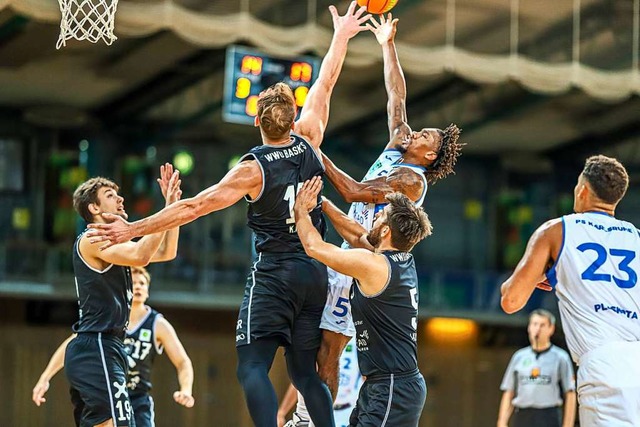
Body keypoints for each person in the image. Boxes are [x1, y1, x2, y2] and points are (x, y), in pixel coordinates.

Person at [84, 4, 372, 426]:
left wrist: (135, 226)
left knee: (252, 367)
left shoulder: (252, 170)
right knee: (306, 373)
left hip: (275, 274)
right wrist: (342, 35)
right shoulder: (310, 141)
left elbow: (194, 206)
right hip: (315, 273)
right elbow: (326, 81)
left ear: (257, 119)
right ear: (295, 118)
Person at [298, 14, 464, 423]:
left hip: (369, 259)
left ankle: (312, 418)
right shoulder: (400, 140)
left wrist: (313, 154)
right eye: (420, 131)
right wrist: (388, 43)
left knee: (332, 348)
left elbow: (354, 191)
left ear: (429, 156)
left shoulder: (410, 181)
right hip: (351, 240)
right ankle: (307, 413)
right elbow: (396, 96)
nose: (418, 133)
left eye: (427, 137)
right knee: (316, 340)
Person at [500, 155, 640, 426]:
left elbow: (511, 300)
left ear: (582, 190)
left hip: (603, 366)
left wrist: (540, 275)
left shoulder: (556, 230)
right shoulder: (636, 236)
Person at [294, 177, 431, 426]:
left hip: (392, 388)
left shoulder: (375, 265)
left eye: (380, 217)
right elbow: (357, 235)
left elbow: (314, 247)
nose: (375, 219)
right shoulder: (400, 259)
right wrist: (322, 203)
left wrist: (301, 209)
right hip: (386, 385)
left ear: (387, 230)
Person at [61, 164, 182, 427]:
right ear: (94, 208)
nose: (120, 199)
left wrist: (172, 208)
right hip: (97, 346)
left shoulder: (114, 245)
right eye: (110, 195)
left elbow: (166, 252)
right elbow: (143, 254)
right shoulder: (92, 237)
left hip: (106, 347)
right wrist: (164, 214)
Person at [32, 265, 195, 427]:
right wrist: (45, 377)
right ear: (126, 290)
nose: (138, 286)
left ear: (148, 290)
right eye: (133, 283)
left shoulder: (158, 324)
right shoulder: (110, 317)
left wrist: (186, 389)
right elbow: (73, 343)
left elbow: (183, 362)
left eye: (142, 283)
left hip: (137, 397)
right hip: (108, 393)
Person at [496, 309, 576, 427]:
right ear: (529, 327)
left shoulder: (561, 357)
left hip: (548, 415)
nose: (538, 329)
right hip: (522, 415)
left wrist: (568, 424)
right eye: (534, 324)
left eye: (542, 325)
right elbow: (509, 391)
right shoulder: (519, 357)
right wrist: (502, 421)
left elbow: (570, 393)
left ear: (551, 329)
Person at [277, 336, 362, 427]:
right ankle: (302, 420)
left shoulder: (357, 340)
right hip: (320, 409)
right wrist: (282, 412)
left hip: (348, 409)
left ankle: (302, 420)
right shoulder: (322, 339)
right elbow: (302, 380)